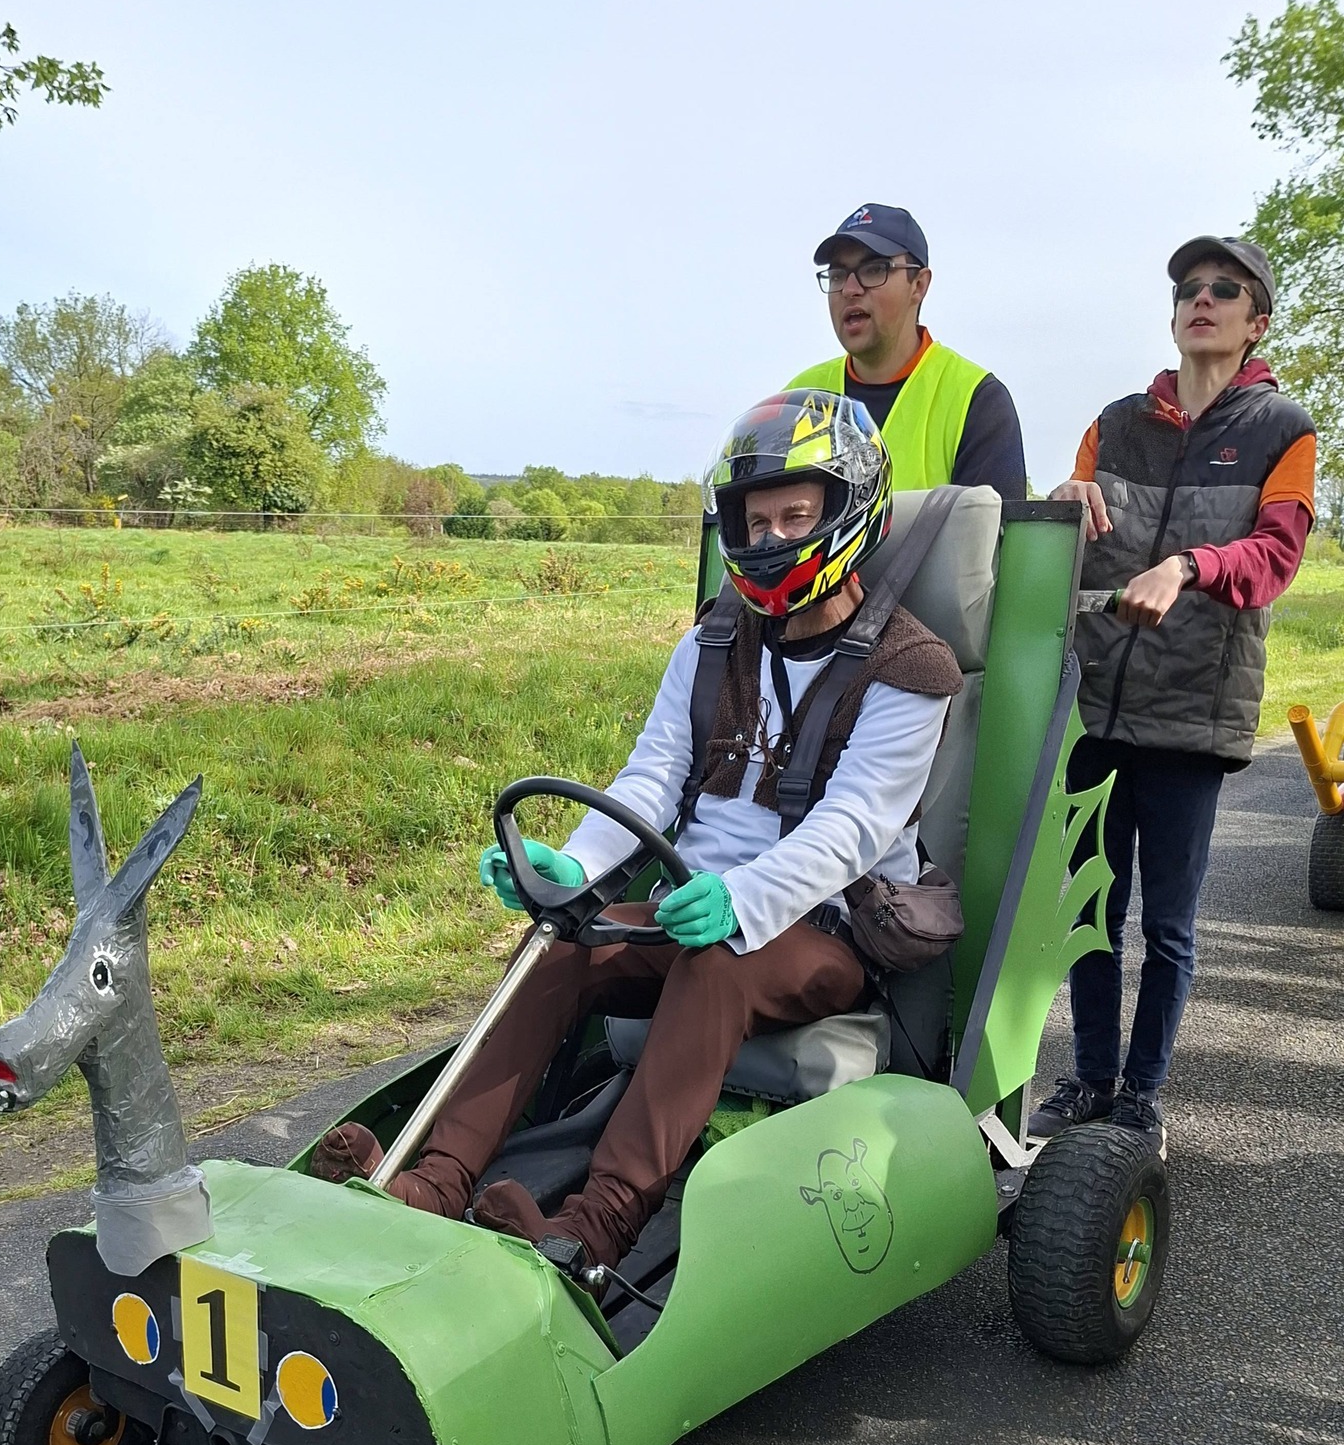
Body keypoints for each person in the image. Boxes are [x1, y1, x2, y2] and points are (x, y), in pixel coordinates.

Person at [314, 392, 962, 1271]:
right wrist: (574, 870)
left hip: (822, 929)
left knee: (716, 961)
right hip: (689, 909)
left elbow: (853, 827)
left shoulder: (911, 668)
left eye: (795, 516)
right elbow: (652, 777)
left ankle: (598, 1226)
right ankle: (429, 1179)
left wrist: (740, 899)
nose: (770, 538)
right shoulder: (714, 642)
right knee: (558, 945)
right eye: (756, 520)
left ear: (849, 513)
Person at [1030, 234, 1317, 1147]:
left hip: (1193, 714)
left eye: (1225, 289)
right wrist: (1061, 505)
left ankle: (1142, 1096)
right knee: (1090, 912)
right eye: (1190, 286)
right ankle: (1091, 1079)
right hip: (1095, 707)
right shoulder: (1115, 424)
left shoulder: (1285, 430)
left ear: (1255, 322)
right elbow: (1058, 535)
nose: (1202, 299)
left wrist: (1188, 565)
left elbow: (1274, 558)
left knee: (1170, 926)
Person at [786, 203, 1026, 497]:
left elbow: (992, 525)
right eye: (837, 274)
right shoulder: (797, 400)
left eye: (874, 270)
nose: (849, 289)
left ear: (919, 285)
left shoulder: (976, 400)